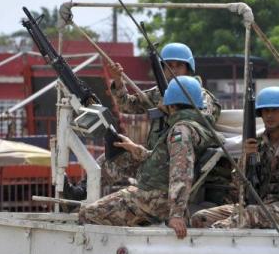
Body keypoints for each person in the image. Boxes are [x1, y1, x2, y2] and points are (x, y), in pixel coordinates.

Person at [79, 76, 219, 239]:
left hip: (152, 198)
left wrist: (176, 214)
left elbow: (180, 171)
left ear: (171, 105)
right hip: (156, 195)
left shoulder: (180, 130)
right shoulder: (193, 126)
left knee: (87, 215)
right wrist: (136, 149)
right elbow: (165, 160)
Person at [191, 74, 279, 229]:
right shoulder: (256, 144)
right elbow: (238, 184)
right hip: (257, 206)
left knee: (236, 220)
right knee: (200, 218)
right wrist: (245, 157)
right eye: (265, 111)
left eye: (275, 110)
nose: (269, 115)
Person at [100, 42, 221, 193]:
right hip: (151, 156)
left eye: (178, 66)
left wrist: (172, 111)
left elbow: (204, 121)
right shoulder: (159, 92)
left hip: (181, 160)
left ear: (188, 69)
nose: (173, 71)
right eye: (168, 65)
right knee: (108, 159)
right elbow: (127, 105)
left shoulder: (201, 95)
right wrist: (118, 80)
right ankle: (79, 193)